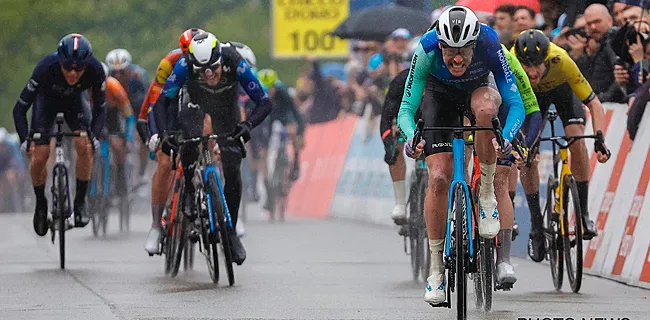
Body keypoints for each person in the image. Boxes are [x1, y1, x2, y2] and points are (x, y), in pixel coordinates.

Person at [398, 6, 526, 305]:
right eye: (450, 52)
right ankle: (435, 271)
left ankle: (486, 195)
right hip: (439, 99)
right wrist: (410, 138)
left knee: (485, 109)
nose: (457, 59)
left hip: (479, 92)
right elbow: (406, 109)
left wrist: (506, 137)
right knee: (439, 178)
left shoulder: (491, 43)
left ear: (474, 45)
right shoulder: (427, 48)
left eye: (464, 52)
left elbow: (515, 102)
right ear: (440, 44)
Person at [152, 31, 273, 265]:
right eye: (202, 71)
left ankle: (230, 233)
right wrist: (166, 134)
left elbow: (264, 102)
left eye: (214, 69)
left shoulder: (234, 60)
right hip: (194, 104)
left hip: (226, 108)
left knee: (232, 164)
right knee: (188, 144)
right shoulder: (185, 65)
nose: (209, 75)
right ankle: (188, 192)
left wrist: (248, 125)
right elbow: (162, 103)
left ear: (221, 60)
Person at [511, 29, 611, 262]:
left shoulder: (561, 60)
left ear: (547, 59)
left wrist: (599, 137)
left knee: (576, 139)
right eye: (527, 66)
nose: (533, 72)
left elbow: (594, 104)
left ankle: (584, 214)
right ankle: (536, 226)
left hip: (563, 94)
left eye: (538, 65)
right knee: (527, 156)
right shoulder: (510, 62)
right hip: (530, 100)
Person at [12, 33, 106, 236]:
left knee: (85, 146)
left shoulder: (96, 70)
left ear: (86, 64)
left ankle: (80, 202)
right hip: (46, 104)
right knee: (40, 155)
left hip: (75, 105)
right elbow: (19, 109)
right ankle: (40, 203)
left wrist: (94, 136)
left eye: (79, 68)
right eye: (68, 67)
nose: (73, 73)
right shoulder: (46, 67)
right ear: (60, 61)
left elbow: (100, 108)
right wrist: (25, 140)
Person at [138, 28, 204, 255]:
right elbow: (156, 105)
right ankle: (156, 225)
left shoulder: (211, 62)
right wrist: (156, 134)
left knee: (209, 147)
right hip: (170, 110)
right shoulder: (170, 64)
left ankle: (207, 200)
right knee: (165, 163)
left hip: (196, 109)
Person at [256, 68, 306, 212]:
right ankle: (268, 190)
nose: (270, 92)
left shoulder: (283, 92)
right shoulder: (256, 94)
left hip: (283, 116)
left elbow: (295, 113)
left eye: (272, 88)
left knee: (293, 130)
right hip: (266, 119)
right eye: (266, 89)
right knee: (263, 154)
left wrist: (300, 132)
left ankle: (295, 161)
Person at [105, 48, 151, 180]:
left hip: (136, 106)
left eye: (122, 72)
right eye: (115, 73)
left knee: (143, 137)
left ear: (129, 70)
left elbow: (146, 100)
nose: (118, 76)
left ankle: (142, 172)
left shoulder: (139, 76)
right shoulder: (108, 82)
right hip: (115, 107)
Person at [97, 62, 134, 195]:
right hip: (94, 115)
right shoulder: (85, 88)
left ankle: (121, 180)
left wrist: (128, 138)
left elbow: (129, 117)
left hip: (111, 117)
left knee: (118, 147)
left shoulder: (115, 87)